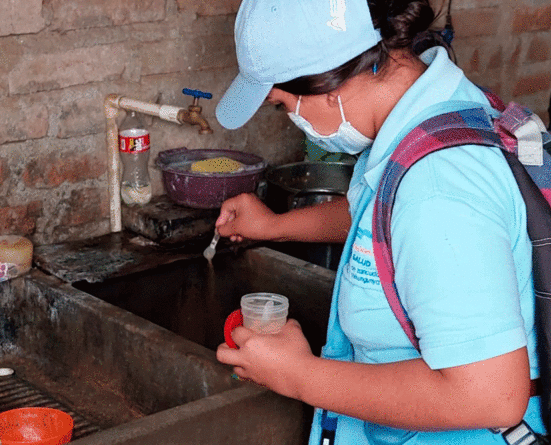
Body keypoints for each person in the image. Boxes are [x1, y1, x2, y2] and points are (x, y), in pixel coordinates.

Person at [213, 0, 545, 444]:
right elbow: (384, 220)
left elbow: (489, 394)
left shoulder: (439, 189)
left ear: (329, 84)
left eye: (281, 105)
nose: (292, 120)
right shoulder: (427, 112)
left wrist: (298, 374)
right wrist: (275, 226)